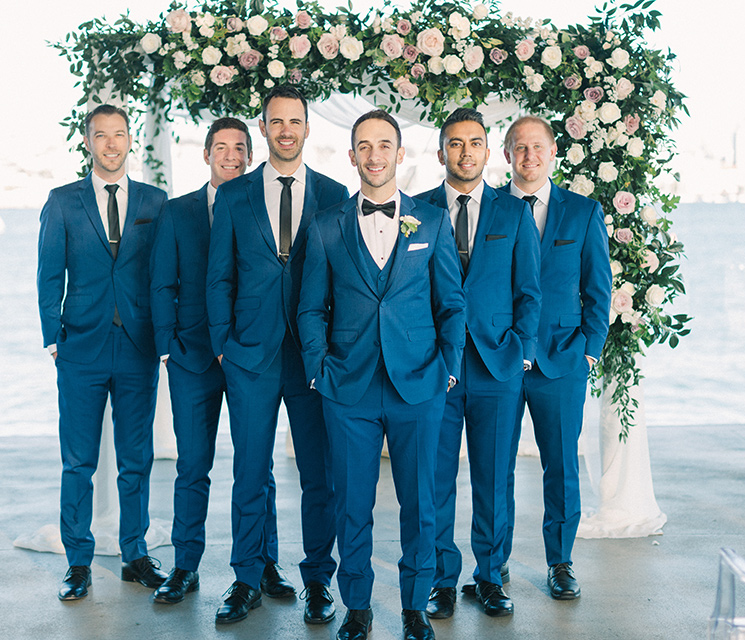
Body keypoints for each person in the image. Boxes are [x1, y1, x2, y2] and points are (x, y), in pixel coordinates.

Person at [297, 109, 466, 640]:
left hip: (419, 383)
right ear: (352, 156)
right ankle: (358, 607)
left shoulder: (432, 222)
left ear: (399, 153)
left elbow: (451, 304)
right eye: (364, 146)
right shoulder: (326, 225)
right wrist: (319, 371)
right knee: (352, 501)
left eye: (384, 145)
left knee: (421, 500)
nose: (374, 155)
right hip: (347, 387)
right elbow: (309, 308)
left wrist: (450, 368)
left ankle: (415, 607)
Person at [206, 86, 349, 625]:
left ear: (309, 129)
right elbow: (218, 277)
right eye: (276, 121)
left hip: (315, 359)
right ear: (262, 130)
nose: (286, 129)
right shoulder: (235, 196)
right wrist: (223, 345)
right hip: (249, 357)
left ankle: (317, 580)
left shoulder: (336, 194)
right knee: (249, 471)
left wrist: (336, 351)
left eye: (295, 121)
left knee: (319, 474)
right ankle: (245, 578)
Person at [37, 104, 169, 601]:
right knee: (79, 462)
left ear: (130, 140)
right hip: (80, 349)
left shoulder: (156, 202)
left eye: (119, 135)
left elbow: (165, 275)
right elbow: (49, 273)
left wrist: (165, 337)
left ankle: (135, 554)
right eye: (101, 136)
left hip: (139, 346)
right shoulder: (64, 201)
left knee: (136, 459)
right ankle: (78, 561)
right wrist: (54, 338)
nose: (111, 144)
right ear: (87, 141)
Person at [413, 108, 541, 619]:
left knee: (493, 479)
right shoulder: (416, 209)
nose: (465, 152)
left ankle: (489, 576)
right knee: (434, 479)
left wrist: (522, 353)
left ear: (489, 151)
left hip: (497, 368)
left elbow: (529, 292)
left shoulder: (512, 214)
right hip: (434, 367)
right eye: (455, 143)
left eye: (475, 143)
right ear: (441, 151)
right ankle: (442, 579)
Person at [150, 117, 273, 604]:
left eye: (239, 148)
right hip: (192, 358)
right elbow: (162, 282)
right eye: (220, 148)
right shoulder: (178, 212)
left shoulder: (261, 205)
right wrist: (166, 346)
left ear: (249, 155)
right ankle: (185, 566)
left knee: (257, 466)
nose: (230, 156)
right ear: (205, 154)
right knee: (192, 465)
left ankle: (263, 565)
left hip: (251, 356)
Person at [500, 115, 611, 600]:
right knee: (494, 464)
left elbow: (598, 288)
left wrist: (589, 350)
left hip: (562, 361)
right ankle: (493, 563)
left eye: (538, 147)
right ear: (506, 155)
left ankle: (560, 562)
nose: (529, 156)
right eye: (519, 148)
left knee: (561, 465)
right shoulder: (490, 209)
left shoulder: (583, 213)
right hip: (499, 359)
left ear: (553, 152)